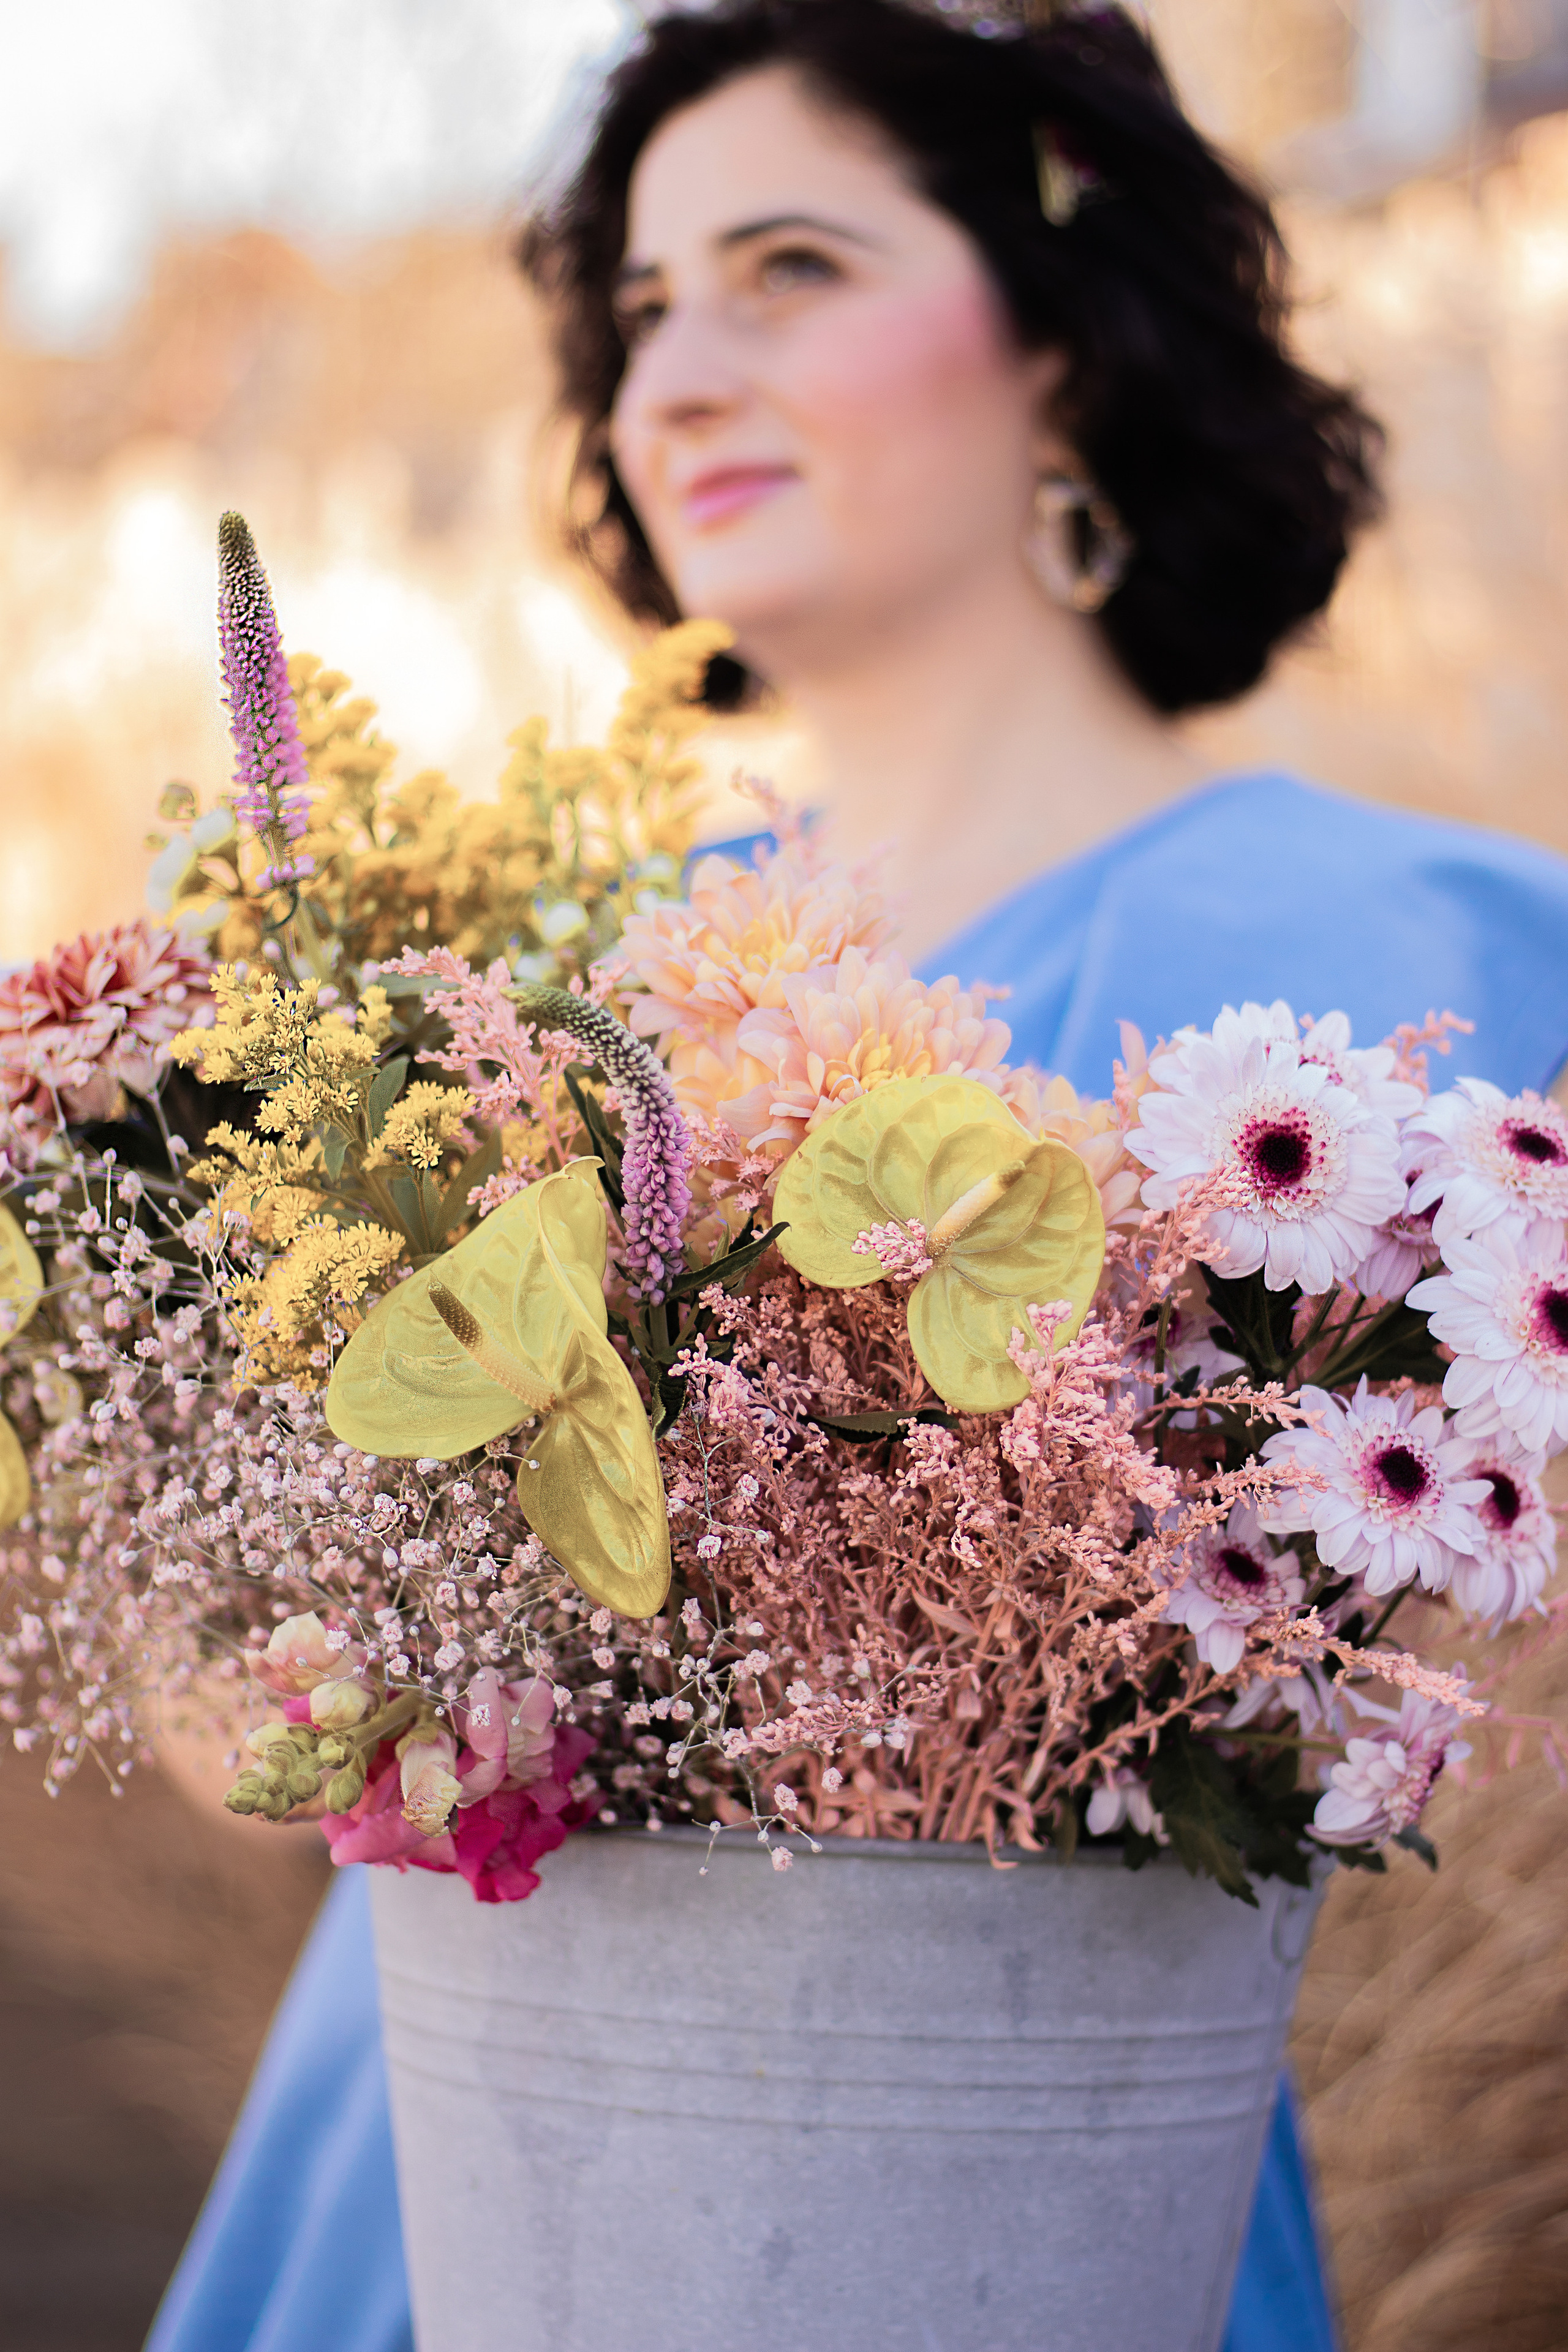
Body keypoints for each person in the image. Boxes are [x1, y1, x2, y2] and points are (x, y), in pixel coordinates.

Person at [148, 6, 1568, 2349]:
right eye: (639, 311)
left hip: (997, 2166)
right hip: (425, 2118)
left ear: (1060, 338)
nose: (680, 371)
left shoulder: (1398, 961)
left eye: (790, 264)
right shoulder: (536, 992)